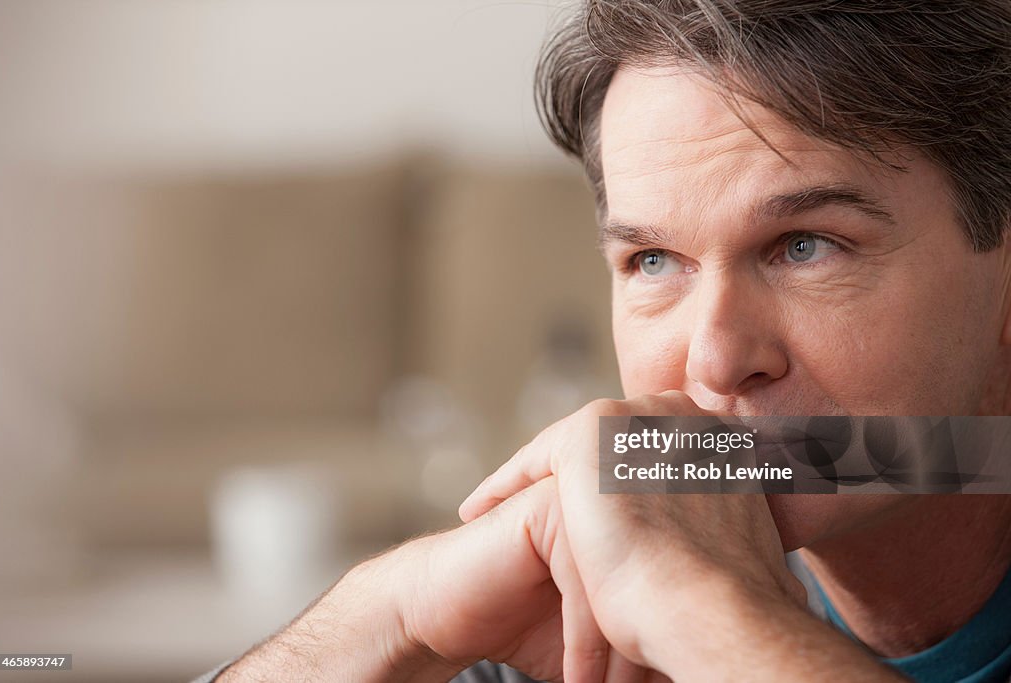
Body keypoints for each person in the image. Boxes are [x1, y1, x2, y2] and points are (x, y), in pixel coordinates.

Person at [196, 1, 1011, 681]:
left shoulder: (672, 590)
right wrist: (400, 609)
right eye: (654, 261)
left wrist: (705, 612)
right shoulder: (603, 593)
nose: (715, 361)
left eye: (807, 245)